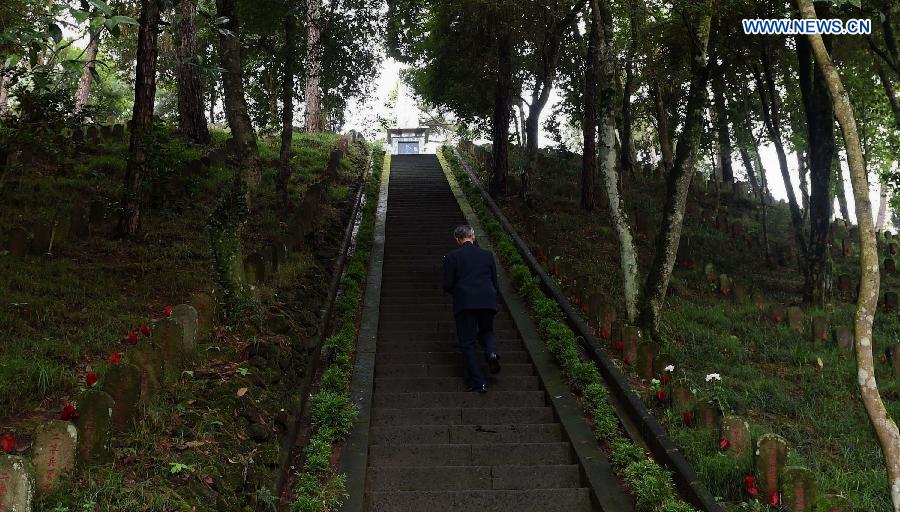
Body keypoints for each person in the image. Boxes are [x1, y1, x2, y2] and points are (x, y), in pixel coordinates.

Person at [442, 225, 501, 393]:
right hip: (487, 300)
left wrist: (460, 292)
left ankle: (479, 382)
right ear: (473, 237)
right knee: (487, 331)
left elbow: (447, 285)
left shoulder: (451, 257)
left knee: (467, 343)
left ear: (457, 240)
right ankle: (491, 353)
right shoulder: (487, 255)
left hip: (465, 302)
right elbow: (495, 283)